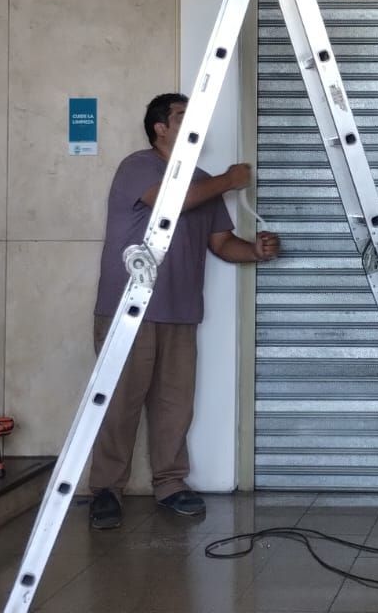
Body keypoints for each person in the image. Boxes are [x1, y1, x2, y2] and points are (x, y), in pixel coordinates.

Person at [87, 92, 280, 529]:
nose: (193, 119)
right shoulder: (138, 167)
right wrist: (229, 181)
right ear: (160, 126)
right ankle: (105, 490)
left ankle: (171, 485)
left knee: (175, 406)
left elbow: (221, 244)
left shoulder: (202, 181)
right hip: (127, 311)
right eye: (181, 114)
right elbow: (169, 201)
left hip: (180, 311)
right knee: (118, 404)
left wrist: (256, 250)